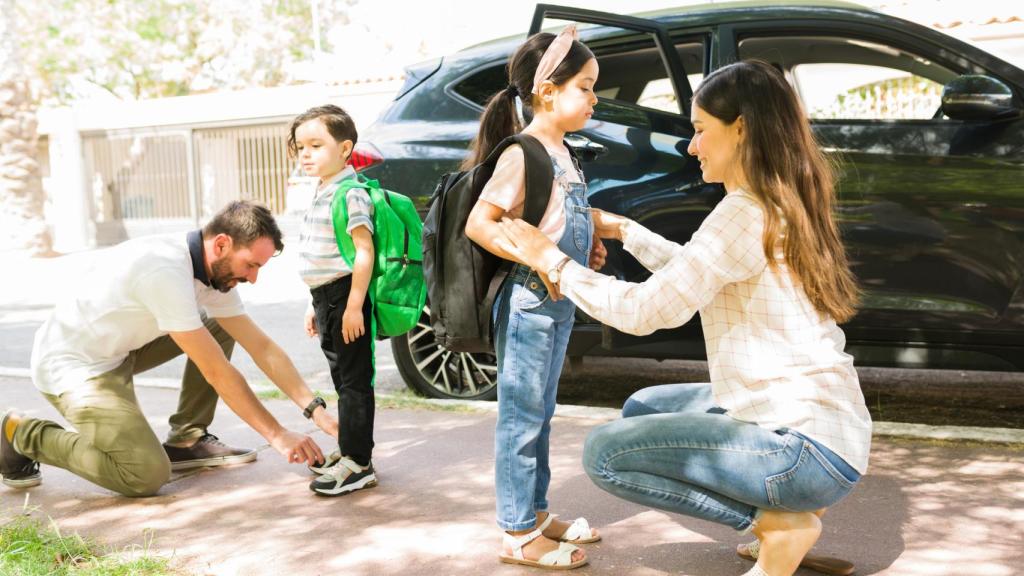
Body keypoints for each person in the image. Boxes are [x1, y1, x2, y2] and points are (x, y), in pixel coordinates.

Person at [494, 60, 872, 576]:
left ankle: (779, 524)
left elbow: (645, 311)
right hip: (832, 431)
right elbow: (697, 274)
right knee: (643, 407)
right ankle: (788, 512)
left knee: (604, 453)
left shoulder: (742, 212)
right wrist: (626, 230)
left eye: (699, 131)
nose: (692, 147)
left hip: (802, 451)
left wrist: (551, 260)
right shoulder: (779, 199)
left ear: (740, 128)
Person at [1, 201, 336, 497]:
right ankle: (21, 433)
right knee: (143, 473)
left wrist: (315, 410)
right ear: (221, 244)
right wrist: (276, 434)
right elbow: (216, 370)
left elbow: (261, 346)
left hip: (120, 350)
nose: (253, 278)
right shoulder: (165, 269)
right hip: (75, 368)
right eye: (251, 265)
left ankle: (186, 440)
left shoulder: (212, 272)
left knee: (216, 325)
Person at [463, 25, 605, 571]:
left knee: (541, 412)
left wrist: (584, 247)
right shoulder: (524, 153)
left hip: (558, 302)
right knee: (521, 416)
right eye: (585, 87)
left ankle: (537, 513)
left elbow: (553, 219)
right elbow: (482, 223)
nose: (594, 98)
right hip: (528, 303)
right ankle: (518, 532)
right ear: (548, 90)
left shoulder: (563, 151)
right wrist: (538, 258)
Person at [289, 104, 379, 496]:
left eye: (315, 145)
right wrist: (313, 303)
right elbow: (325, 253)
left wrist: (355, 304)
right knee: (343, 379)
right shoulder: (323, 191)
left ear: (345, 149)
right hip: (326, 296)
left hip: (345, 295)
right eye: (300, 147)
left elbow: (363, 251)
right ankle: (349, 454)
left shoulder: (351, 192)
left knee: (355, 382)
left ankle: (359, 463)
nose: (306, 154)